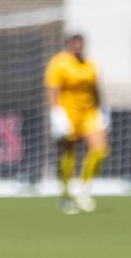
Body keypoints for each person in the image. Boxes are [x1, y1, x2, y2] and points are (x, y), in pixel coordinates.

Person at [45, 34, 110, 214]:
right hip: (68, 113)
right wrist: (56, 113)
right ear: (68, 45)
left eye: (80, 44)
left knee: (100, 149)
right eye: (74, 44)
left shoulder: (90, 64)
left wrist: (101, 110)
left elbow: (95, 88)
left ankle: (84, 189)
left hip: (88, 112)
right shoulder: (59, 63)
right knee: (68, 153)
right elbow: (53, 89)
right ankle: (65, 196)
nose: (77, 47)